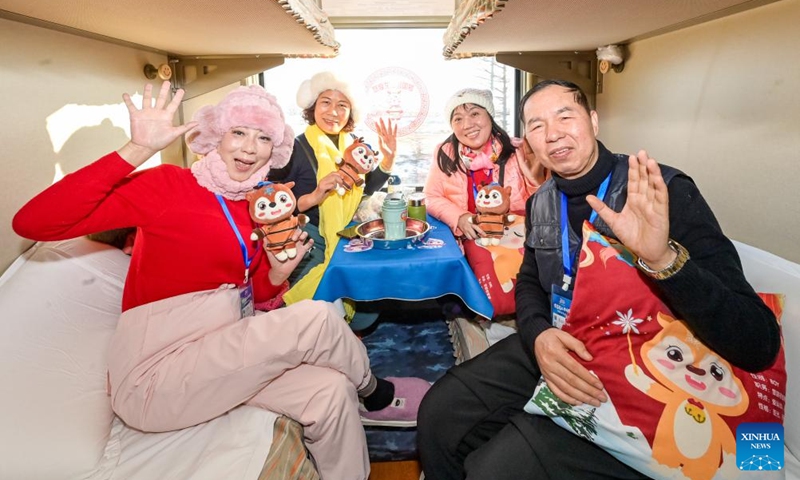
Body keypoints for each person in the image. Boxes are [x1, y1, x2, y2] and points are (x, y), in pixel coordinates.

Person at [13, 81, 429, 480]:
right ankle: (375, 393)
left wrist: (277, 273)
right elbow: (33, 221)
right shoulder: (168, 186)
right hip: (157, 375)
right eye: (239, 132)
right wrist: (138, 149)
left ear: (275, 149)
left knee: (332, 392)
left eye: (263, 138)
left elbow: (254, 294)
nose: (250, 147)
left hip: (219, 355)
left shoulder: (257, 205)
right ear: (215, 136)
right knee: (317, 318)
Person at [416, 79, 782, 480]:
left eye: (565, 116)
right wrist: (538, 335)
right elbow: (530, 283)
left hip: (641, 358)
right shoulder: (542, 202)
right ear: (529, 144)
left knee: (496, 469)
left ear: (593, 121)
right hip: (561, 340)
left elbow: (759, 344)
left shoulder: (661, 191)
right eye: (536, 126)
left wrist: (662, 259)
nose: (552, 133)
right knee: (440, 413)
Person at [269, 71, 397, 329]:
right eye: (326, 102)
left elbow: (364, 190)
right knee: (314, 311)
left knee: (367, 314)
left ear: (351, 113)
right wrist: (314, 197)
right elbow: (271, 205)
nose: (334, 112)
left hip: (347, 233)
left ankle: (343, 333)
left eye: (342, 105)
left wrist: (387, 160)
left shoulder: (355, 146)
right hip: (310, 236)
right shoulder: (293, 148)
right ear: (312, 107)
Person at [424, 88, 547, 241]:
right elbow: (430, 197)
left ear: (489, 116)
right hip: (466, 240)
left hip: (516, 237)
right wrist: (460, 218)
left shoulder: (517, 151)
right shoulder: (445, 154)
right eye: (458, 119)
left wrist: (535, 172)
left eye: (474, 114)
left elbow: (543, 201)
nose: (467, 125)